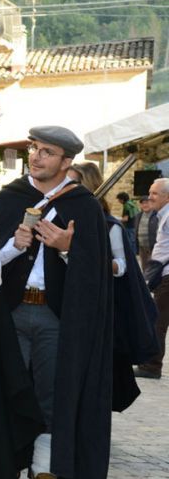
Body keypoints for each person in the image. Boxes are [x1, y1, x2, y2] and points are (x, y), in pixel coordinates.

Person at [0, 126, 112, 479]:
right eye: (34, 149)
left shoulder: (84, 206)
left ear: (66, 161)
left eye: (48, 152)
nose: (37, 157)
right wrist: (13, 246)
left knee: (53, 400)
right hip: (12, 313)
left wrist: (68, 248)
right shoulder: (8, 199)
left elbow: (100, 276)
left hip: (57, 320)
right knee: (8, 395)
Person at [68, 162, 156, 412]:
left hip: (97, 308)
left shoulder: (110, 226)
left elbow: (121, 266)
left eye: (74, 183)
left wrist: (90, 260)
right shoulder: (61, 218)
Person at [136, 178, 169, 380]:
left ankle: (151, 366)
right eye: (150, 192)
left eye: (155, 193)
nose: (150, 197)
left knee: (156, 321)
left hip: (167, 276)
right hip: (163, 275)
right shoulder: (162, 215)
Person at [137, 195, 158, 265]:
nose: (145, 205)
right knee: (144, 267)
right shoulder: (138, 216)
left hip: (153, 247)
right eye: (142, 203)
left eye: (147, 202)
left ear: (151, 203)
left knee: (153, 268)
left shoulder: (157, 215)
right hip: (142, 247)